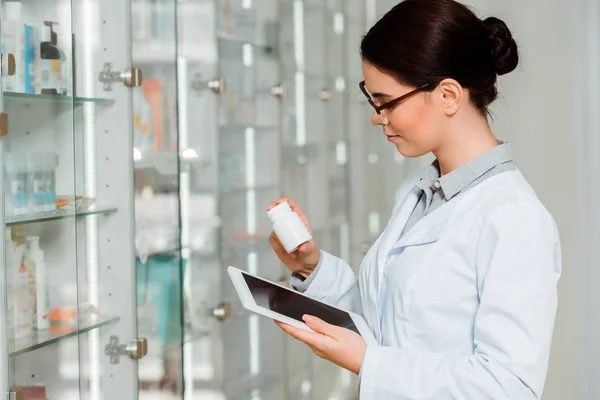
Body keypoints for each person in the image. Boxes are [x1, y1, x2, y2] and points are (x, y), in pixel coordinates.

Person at [267, 0, 561, 399]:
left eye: (386, 101)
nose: (376, 116)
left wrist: (369, 364)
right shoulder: (418, 193)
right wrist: (313, 268)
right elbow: (386, 323)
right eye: (372, 100)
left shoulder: (514, 218)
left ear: (448, 96)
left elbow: (507, 387)